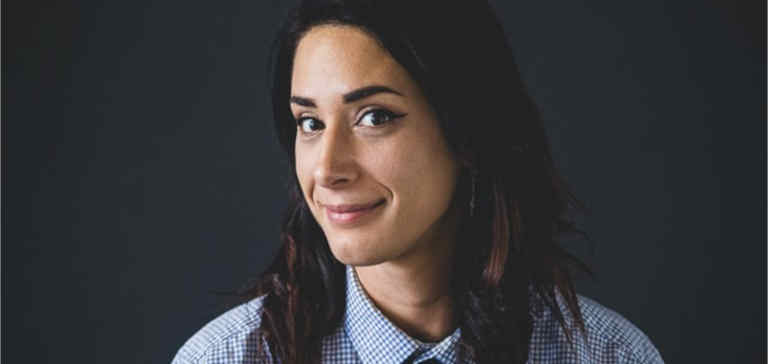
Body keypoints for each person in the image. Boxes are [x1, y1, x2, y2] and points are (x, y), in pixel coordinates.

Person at [172, 0, 664, 363]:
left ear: (467, 131)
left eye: (375, 116)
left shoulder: (607, 355)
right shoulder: (224, 357)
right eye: (310, 123)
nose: (326, 169)